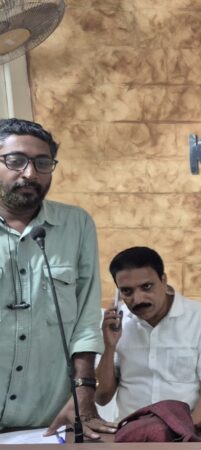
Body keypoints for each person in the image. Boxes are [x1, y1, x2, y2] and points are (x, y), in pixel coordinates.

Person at [0, 119, 115, 437]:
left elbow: (86, 319)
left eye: (42, 163)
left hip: (49, 419)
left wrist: (84, 395)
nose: (30, 173)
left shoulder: (76, 225)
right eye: (15, 160)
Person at [96, 247, 201, 423]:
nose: (138, 299)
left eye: (146, 287)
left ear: (164, 280)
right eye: (127, 291)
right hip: (129, 430)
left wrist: (187, 436)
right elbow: (101, 397)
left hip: (183, 430)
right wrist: (109, 346)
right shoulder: (118, 325)